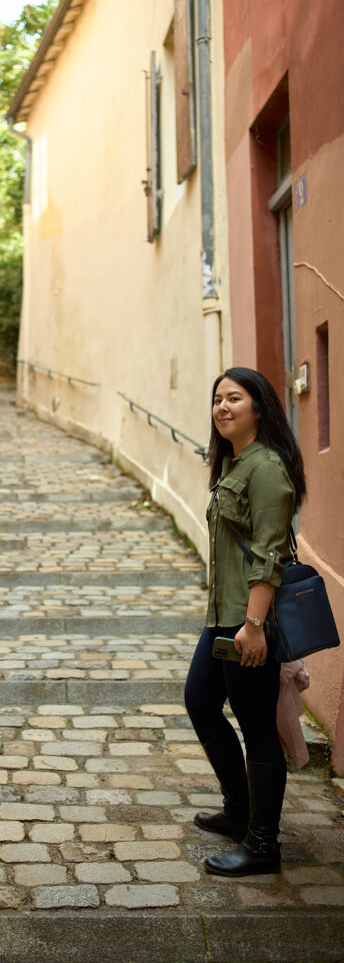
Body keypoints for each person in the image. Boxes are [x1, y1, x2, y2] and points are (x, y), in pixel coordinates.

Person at [184, 366, 306, 876]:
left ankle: (262, 844)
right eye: (217, 400)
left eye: (234, 398)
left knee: (256, 728)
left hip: (247, 621)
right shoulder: (234, 465)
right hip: (223, 616)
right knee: (200, 700)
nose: (223, 407)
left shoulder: (267, 468)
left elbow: (269, 555)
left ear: (259, 407)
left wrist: (254, 625)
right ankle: (239, 810)